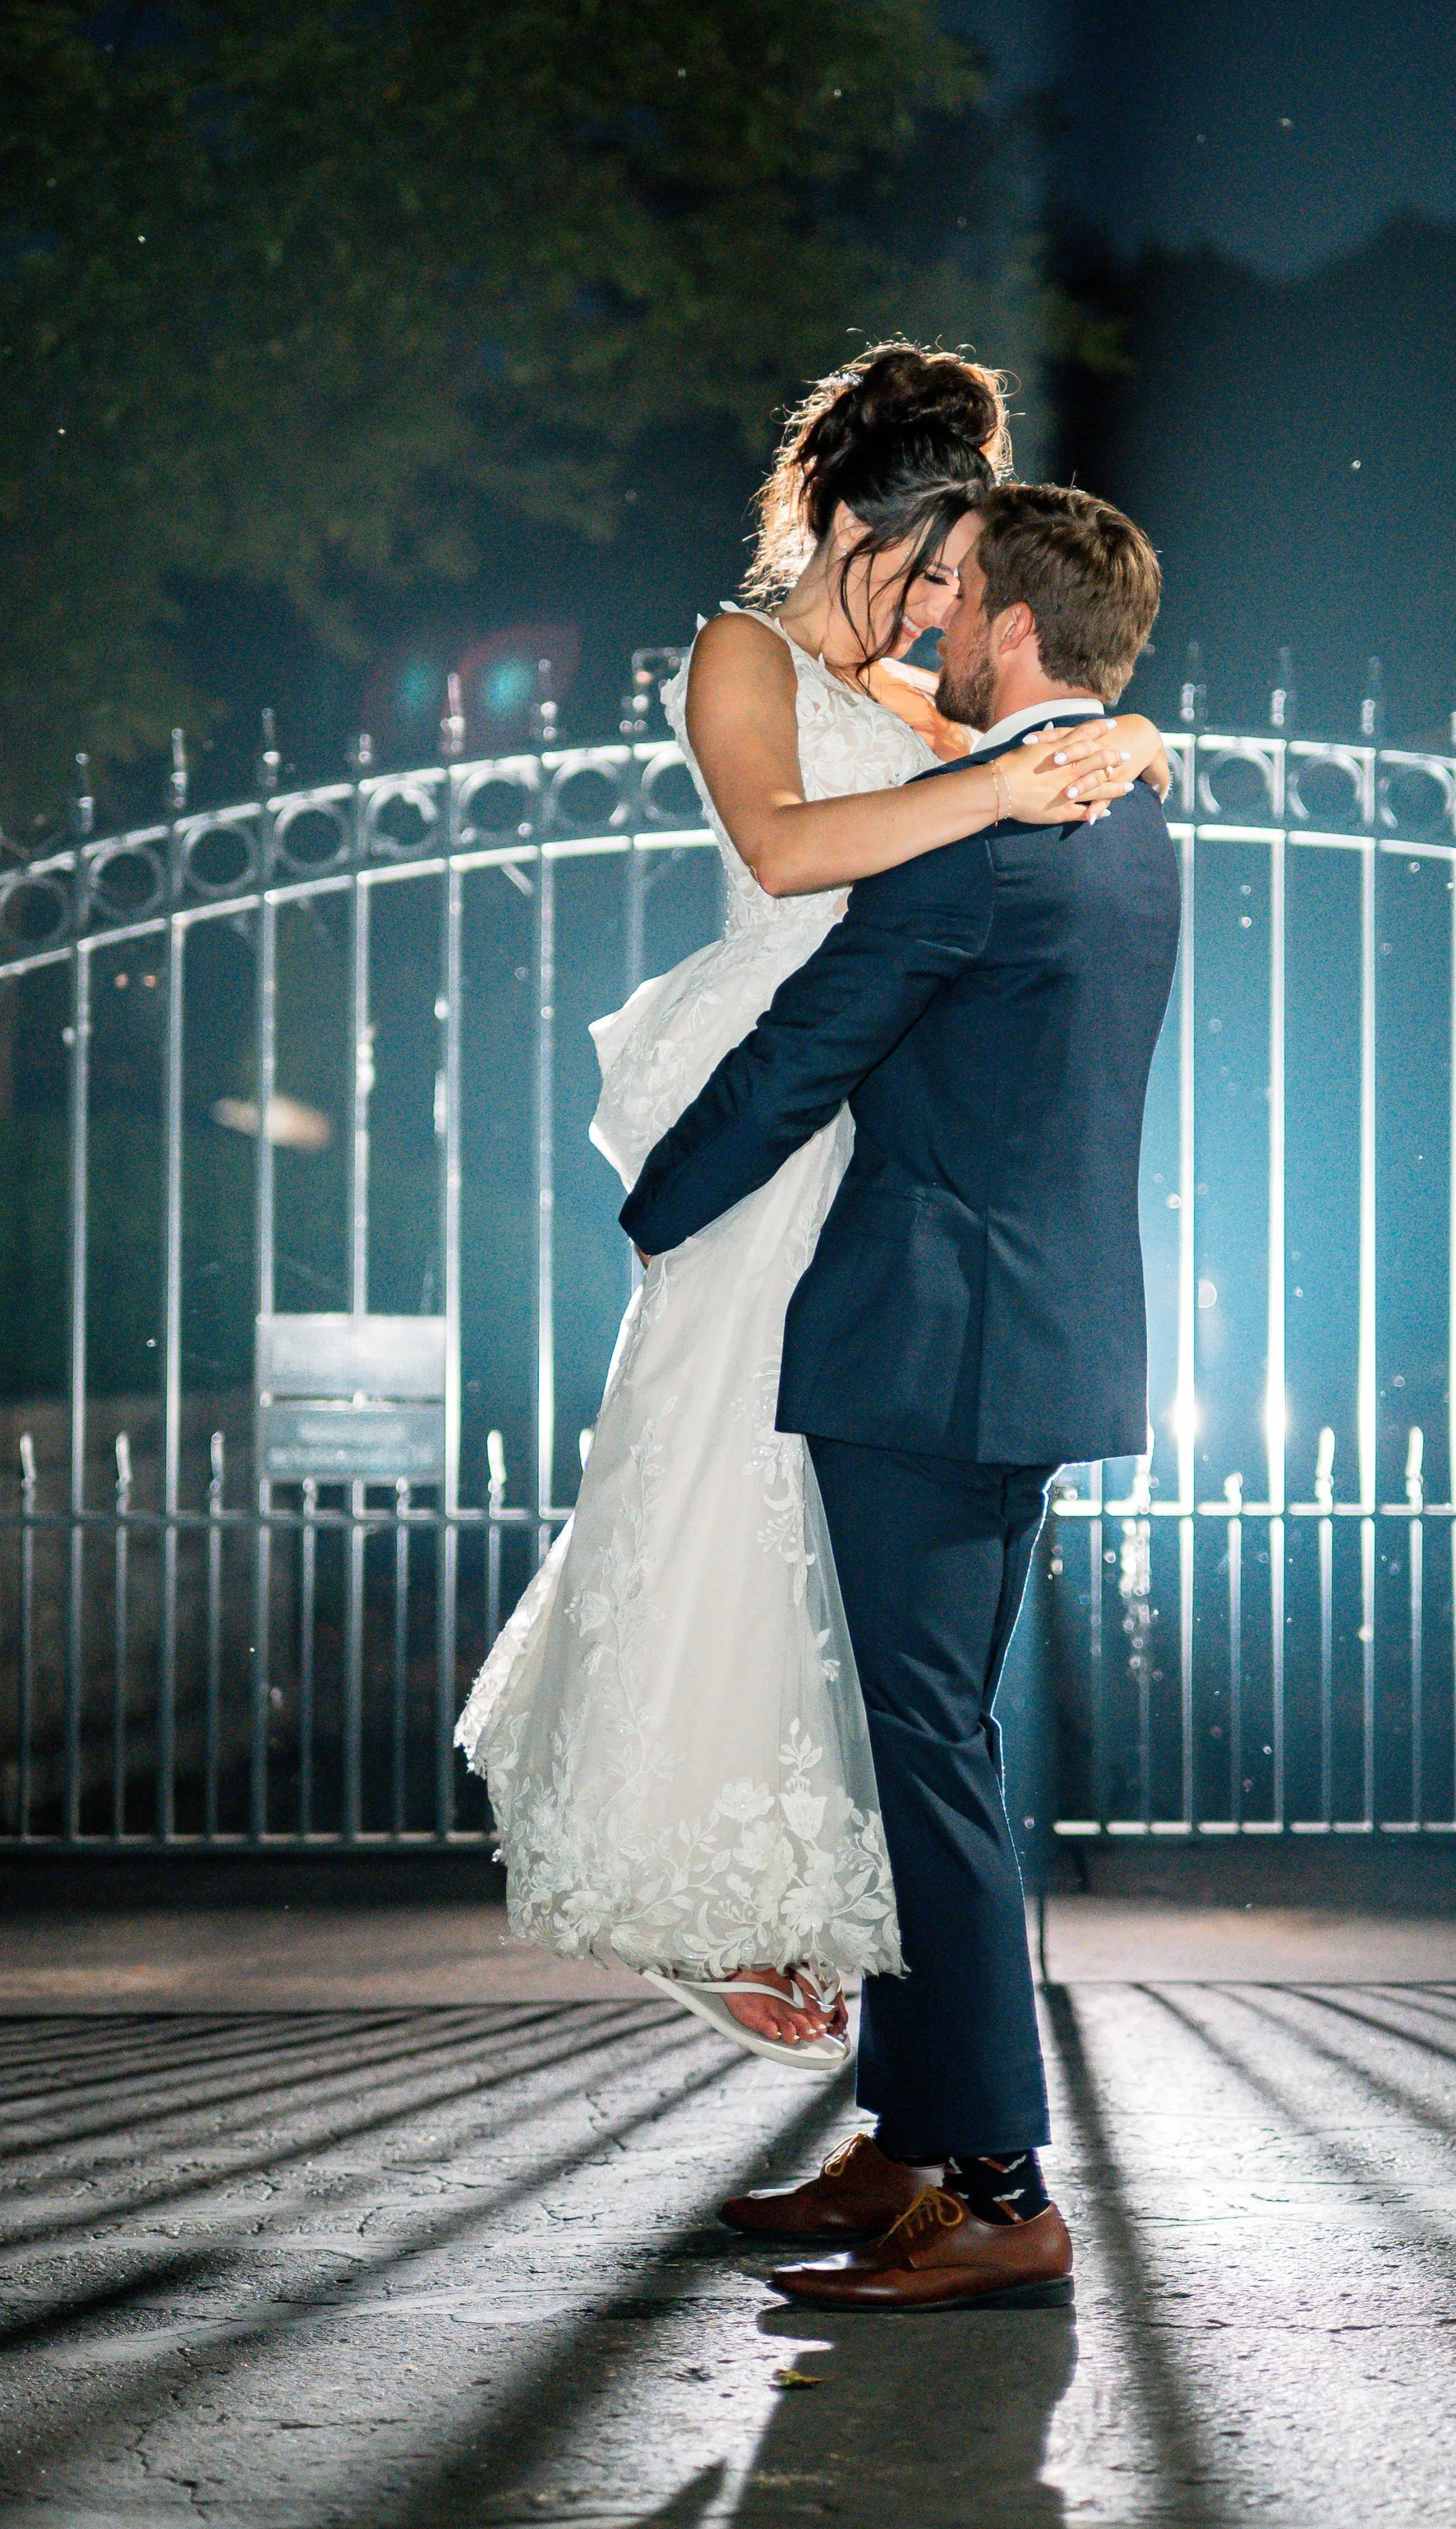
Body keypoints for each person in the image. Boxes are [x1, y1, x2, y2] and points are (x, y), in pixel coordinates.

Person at [456, 348, 1168, 2065]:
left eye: (956, 583)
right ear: (844, 516)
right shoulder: (742, 653)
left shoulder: (925, 702)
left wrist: (1119, 734)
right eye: (919, 565)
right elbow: (781, 846)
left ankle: (826, 1938)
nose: (937, 608)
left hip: (876, 1128)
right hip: (774, 1077)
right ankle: (712, 1886)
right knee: (719, 1495)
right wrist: (998, 785)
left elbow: (1033, 726)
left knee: (842, 1576)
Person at [621, 481, 1178, 2306]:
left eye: (960, 604)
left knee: (926, 1763)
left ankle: (1000, 2192)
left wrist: (656, 1209)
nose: (935, 623)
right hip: (1035, 1340)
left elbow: (805, 1052)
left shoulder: (981, 848)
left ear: (1012, 627)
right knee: (915, 1750)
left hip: (929, 1355)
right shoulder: (1124, 808)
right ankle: (904, 2148)